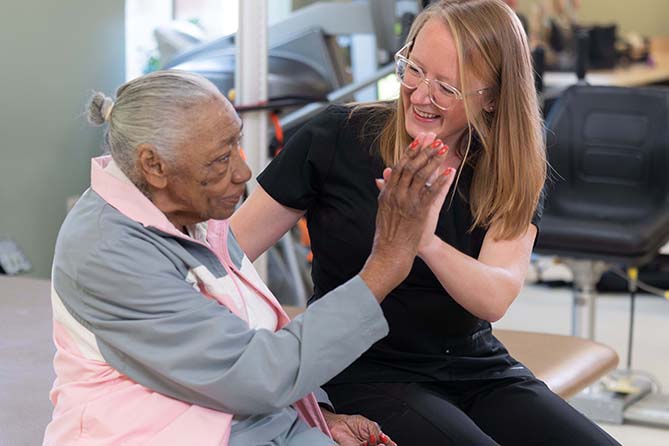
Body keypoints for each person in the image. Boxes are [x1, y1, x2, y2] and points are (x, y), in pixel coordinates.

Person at [231, 0, 620, 445]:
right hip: (360, 368)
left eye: (447, 88)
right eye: (413, 70)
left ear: (491, 98)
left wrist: (422, 239)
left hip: (474, 366)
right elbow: (228, 258)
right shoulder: (337, 137)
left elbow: (493, 297)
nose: (419, 95)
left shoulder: (508, 165)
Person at [43, 69, 451, 446]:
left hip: (242, 418)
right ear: (154, 165)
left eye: (236, 143)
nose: (243, 172)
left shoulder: (193, 215)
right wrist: (385, 265)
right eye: (222, 159)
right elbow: (257, 374)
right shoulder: (107, 252)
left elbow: (254, 327)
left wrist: (320, 413)